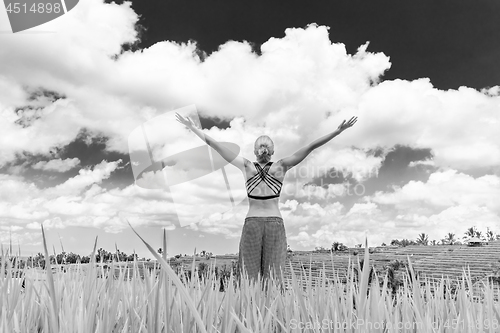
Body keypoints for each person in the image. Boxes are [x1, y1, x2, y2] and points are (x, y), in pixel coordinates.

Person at [175, 113, 357, 287]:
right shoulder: (281, 166)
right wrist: (337, 131)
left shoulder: (246, 166)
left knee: (249, 278)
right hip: (275, 224)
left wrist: (192, 128)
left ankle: (249, 316)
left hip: (252, 223)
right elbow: (310, 147)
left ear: (255, 151)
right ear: (272, 151)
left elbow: (214, 144)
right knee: (274, 278)